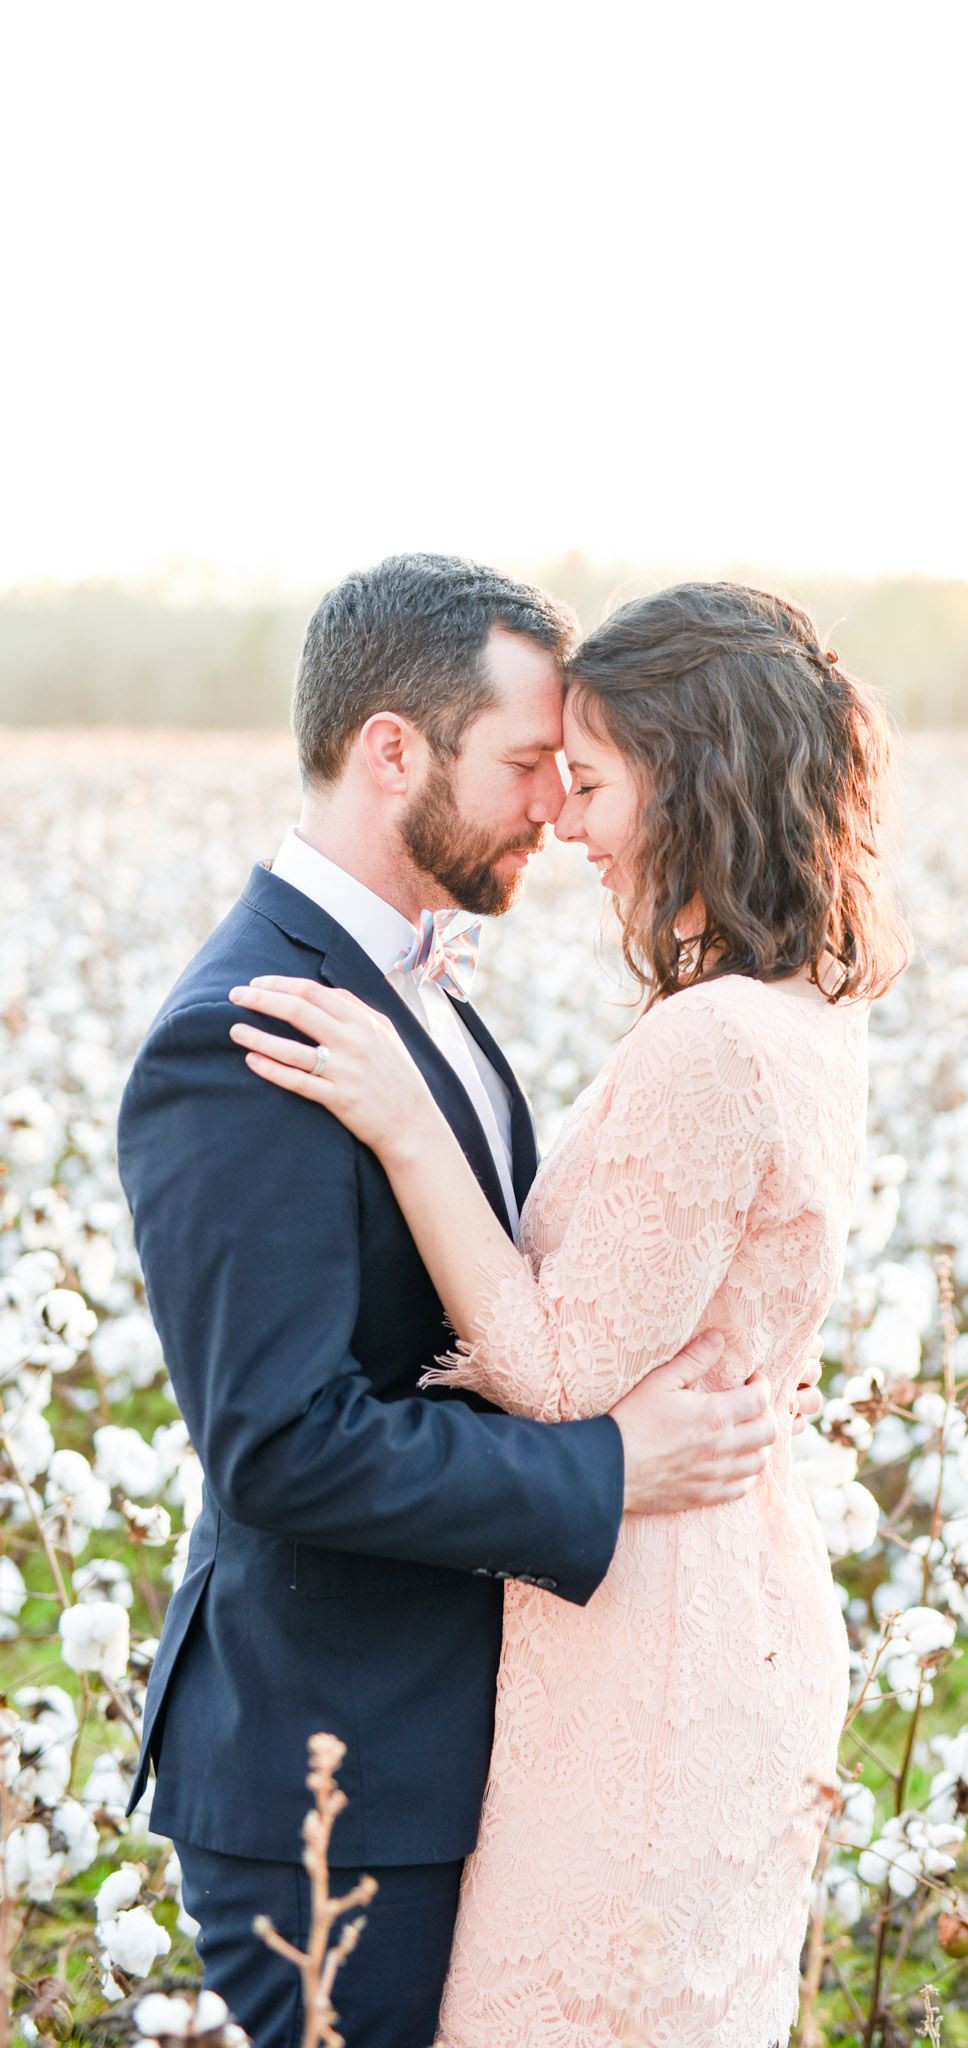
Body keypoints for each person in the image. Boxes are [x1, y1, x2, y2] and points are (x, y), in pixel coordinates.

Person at [117, 557, 799, 2048]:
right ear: (391, 752)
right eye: (523, 765)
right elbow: (282, 1444)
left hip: (441, 1750)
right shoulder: (247, 1035)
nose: (553, 812)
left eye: (572, 772)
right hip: (335, 1784)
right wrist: (610, 1468)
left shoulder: (430, 996)